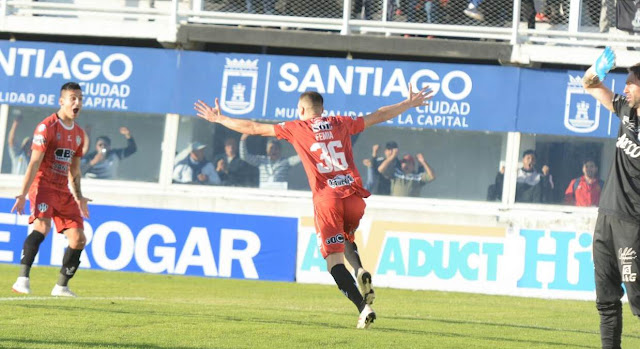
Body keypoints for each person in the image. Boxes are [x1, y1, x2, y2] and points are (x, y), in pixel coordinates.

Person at [195, 83, 433, 329]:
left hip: (327, 198)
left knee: (333, 262)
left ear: (301, 109)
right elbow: (378, 115)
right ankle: (360, 269)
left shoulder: (296, 128)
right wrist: (408, 104)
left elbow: (253, 128)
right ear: (322, 109)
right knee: (345, 236)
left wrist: (219, 118)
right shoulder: (340, 122)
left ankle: (363, 309)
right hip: (353, 196)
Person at [582, 47, 640, 349]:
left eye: (631, 83)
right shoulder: (626, 111)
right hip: (607, 218)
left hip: (634, 224)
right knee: (605, 299)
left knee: (639, 300)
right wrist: (596, 69)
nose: (625, 87)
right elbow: (590, 84)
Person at [10, 82, 91, 298]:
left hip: (63, 190)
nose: (77, 102)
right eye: (73, 98)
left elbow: (74, 169)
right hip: (43, 184)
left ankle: (61, 287)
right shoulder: (46, 127)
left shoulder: (79, 134)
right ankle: (22, 279)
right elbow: (34, 162)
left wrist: (80, 197)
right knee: (42, 227)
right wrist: (23, 193)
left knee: (79, 238)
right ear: (61, 101)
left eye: (80, 99)